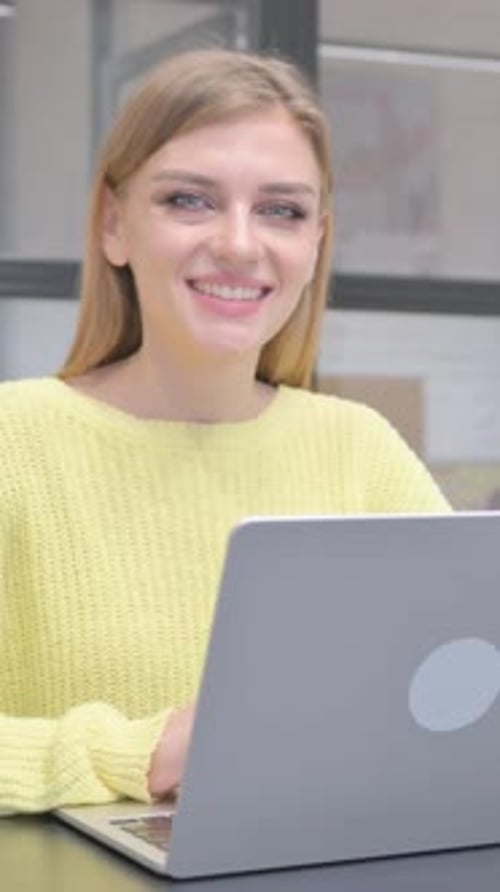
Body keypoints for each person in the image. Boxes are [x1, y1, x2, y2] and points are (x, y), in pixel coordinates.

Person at [0, 48, 450, 815]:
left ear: (315, 243)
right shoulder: (15, 441)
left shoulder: (361, 449)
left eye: (282, 210)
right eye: (189, 200)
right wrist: (142, 753)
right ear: (115, 224)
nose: (242, 244)